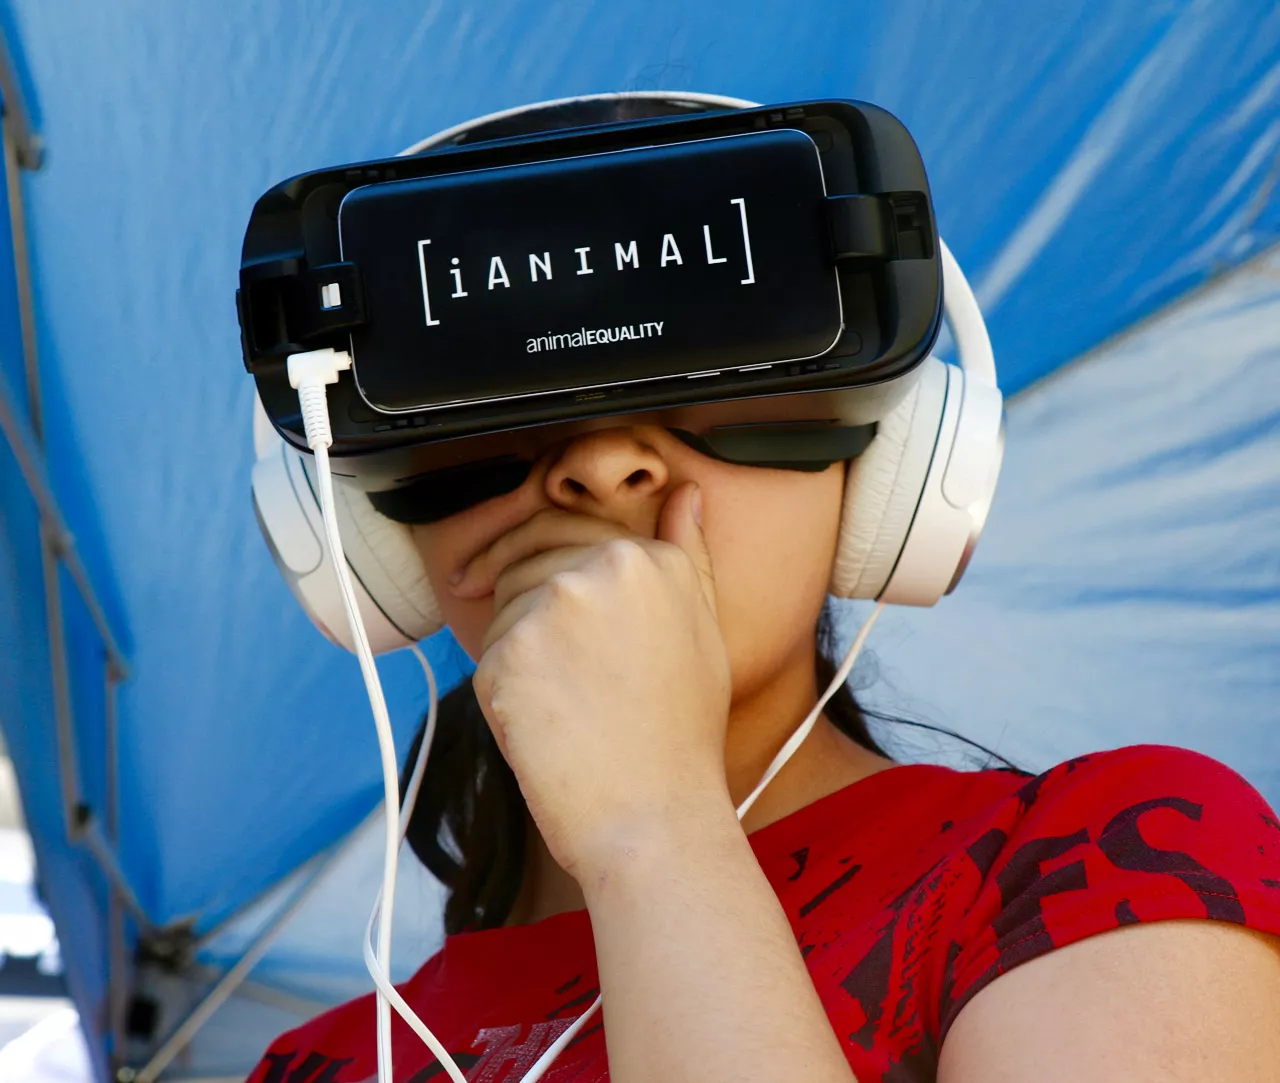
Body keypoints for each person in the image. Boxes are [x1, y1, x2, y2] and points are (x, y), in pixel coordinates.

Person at [248, 103, 1280, 1083]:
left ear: (888, 468)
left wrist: (655, 834)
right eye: (478, 392)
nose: (604, 464)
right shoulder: (312, 1065)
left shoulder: (1106, 854)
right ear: (369, 529)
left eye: (717, 372)